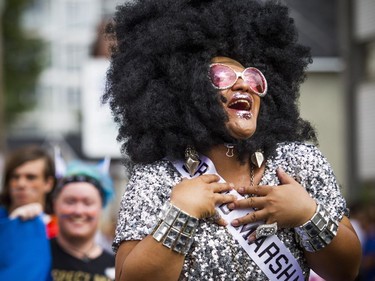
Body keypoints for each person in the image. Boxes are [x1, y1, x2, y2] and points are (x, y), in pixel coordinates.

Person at [104, 0, 362, 280]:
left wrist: (307, 214)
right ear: (185, 90)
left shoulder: (299, 163)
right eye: (222, 76)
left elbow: (346, 271)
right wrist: (180, 214)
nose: (243, 85)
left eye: (254, 79)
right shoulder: (156, 178)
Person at [50, 160, 115, 281]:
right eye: (70, 201)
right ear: (55, 205)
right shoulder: (36, 255)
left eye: (88, 203)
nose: (78, 211)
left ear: (101, 207)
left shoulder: (117, 266)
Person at [0, 145, 56, 281]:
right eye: (15, 177)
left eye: (30, 177)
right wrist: (12, 225)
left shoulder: (59, 227)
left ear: (48, 183)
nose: (21, 184)